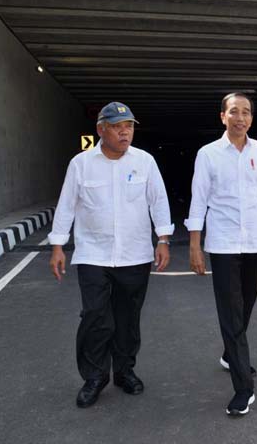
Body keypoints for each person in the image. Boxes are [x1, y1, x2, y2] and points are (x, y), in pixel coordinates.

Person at [48, 101, 173, 408]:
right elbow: (66, 205)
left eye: (128, 126)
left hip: (135, 254)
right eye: (117, 127)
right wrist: (57, 247)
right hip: (93, 254)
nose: (124, 132)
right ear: (101, 129)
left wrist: (164, 239)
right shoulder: (81, 164)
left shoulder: (144, 162)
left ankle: (125, 371)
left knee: (128, 319)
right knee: (95, 317)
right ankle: (94, 376)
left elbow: (158, 201)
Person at [186, 93, 257, 417]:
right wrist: (194, 245)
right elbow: (198, 200)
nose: (240, 118)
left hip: (255, 242)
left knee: (244, 306)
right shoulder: (209, 154)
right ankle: (244, 388)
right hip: (224, 244)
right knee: (230, 313)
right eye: (234, 112)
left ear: (251, 119)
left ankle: (230, 356)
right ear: (222, 116)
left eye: (245, 113)